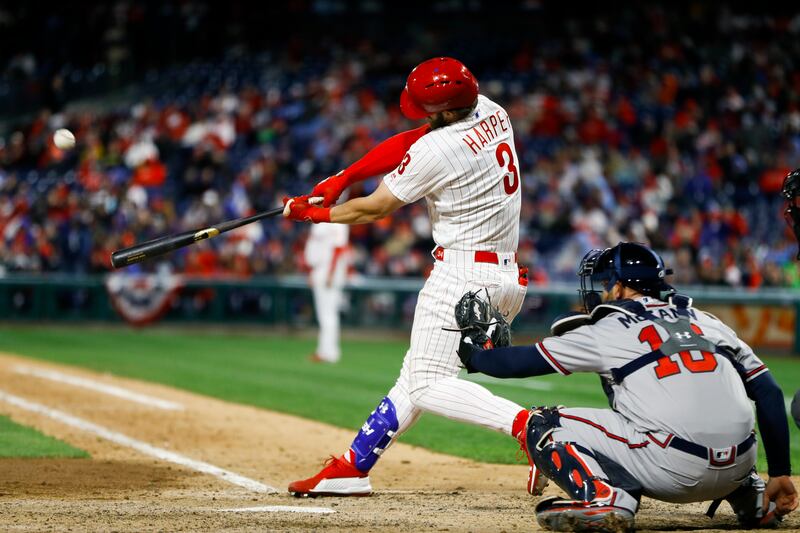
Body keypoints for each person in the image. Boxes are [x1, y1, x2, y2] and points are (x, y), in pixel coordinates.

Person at [282, 57, 533, 496]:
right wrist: (346, 176)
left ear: (446, 109)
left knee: (428, 382)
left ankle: (535, 429)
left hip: (462, 274)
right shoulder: (492, 110)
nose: (422, 114)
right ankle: (353, 467)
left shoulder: (440, 150)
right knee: (415, 375)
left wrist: (314, 214)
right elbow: (412, 142)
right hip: (503, 275)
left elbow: (374, 208)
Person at [457, 242, 798, 532]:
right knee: (715, 411)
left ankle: (605, 497)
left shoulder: (609, 328)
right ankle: (755, 499)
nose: (603, 291)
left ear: (619, 288)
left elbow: (518, 364)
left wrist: (474, 354)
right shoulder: (707, 321)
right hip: (738, 466)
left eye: (606, 283)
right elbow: (768, 394)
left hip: (672, 470)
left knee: (541, 422)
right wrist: (780, 472)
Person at [304, 223, 349, 363]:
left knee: (328, 315)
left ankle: (329, 352)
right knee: (325, 315)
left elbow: (339, 248)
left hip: (329, 271)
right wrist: (312, 272)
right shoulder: (319, 218)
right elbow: (314, 249)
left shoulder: (339, 221)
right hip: (320, 269)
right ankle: (325, 351)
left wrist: (331, 273)